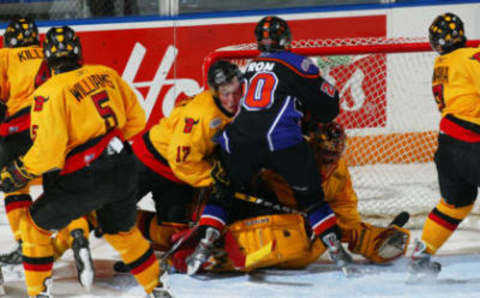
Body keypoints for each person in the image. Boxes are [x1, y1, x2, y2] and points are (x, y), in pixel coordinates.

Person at [0, 26, 170, 297]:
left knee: (33, 228)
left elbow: (48, 152)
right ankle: (157, 287)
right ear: (78, 51)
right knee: (122, 232)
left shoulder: (49, 92)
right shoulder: (106, 74)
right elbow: (138, 121)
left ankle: (38, 293)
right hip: (125, 168)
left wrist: (19, 170)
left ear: (48, 56)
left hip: (85, 177)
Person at [129, 121, 410, 273]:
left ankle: (375, 241)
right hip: (245, 201)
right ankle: (125, 225)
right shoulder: (285, 157)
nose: (329, 161)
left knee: (306, 245)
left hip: (289, 217)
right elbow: (235, 174)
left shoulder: (338, 171)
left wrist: (354, 232)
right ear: (310, 147)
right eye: (324, 155)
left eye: (334, 156)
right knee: (183, 233)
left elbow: (343, 207)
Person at [187, 15, 347, 275]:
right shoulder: (299, 63)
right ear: (286, 39)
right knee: (312, 199)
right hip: (282, 143)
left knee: (222, 194)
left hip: (237, 143)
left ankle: (204, 245)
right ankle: (339, 254)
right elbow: (329, 107)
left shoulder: (250, 66)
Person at [0, 16, 91, 275]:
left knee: (14, 187)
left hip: (18, 130)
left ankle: (25, 244)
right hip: (53, 126)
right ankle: (78, 235)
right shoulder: (47, 53)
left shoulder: (4, 55)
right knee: (64, 188)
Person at [408, 12, 480, 280]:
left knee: (455, 204)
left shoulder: (441, 64)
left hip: (447, 146)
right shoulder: (470, 57)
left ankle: (421, 255)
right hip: (472, 141)